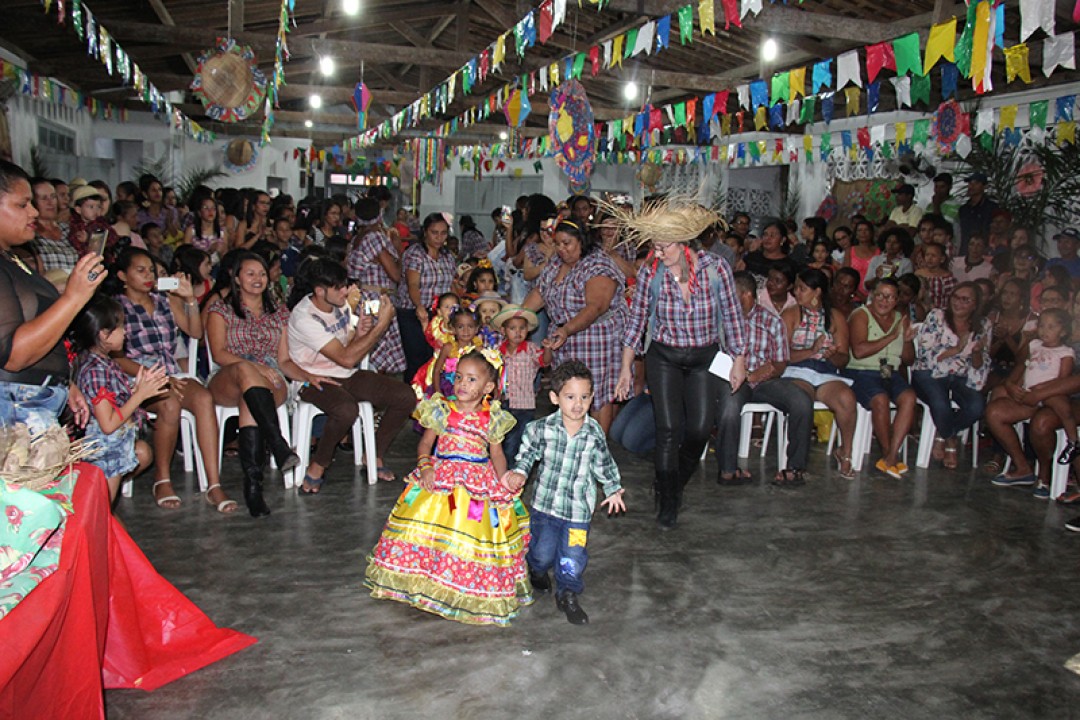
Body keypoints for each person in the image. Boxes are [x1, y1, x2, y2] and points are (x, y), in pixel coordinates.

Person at [364, 351, 531, 626]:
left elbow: (497, 454)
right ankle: (424, 578)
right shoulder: (442, 408)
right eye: (459, 377)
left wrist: (503, 479)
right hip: (442, 476)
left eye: (472, 379)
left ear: (488, 388)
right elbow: (424, 445)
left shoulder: (492, 417)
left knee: (472, 533)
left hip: (477, 480)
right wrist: (426, 466)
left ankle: (463, 585)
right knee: (426, 528)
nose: (462, 384)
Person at [616, 202, 747, 529]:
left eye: (664, 246)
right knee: (668, 429)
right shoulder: (650, 272)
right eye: (654, 246)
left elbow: (732, 317)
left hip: (704, 358)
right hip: (665, 357)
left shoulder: (715, 268)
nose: (658, 253)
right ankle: (668, 502)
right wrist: (625, 368)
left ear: (684, 241)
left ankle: (672, 483)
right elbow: (637, 322)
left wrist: (740, 359)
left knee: (700, 429)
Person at [503, 360, 626, 625]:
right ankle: (536, 569)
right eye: (570, 397)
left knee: (572, 555)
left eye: (584, 397)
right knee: (542, 553)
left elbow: (604, 463)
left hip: (578, 512)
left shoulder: (594, 433)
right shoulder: (541, 429)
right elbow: (527, 455)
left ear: (592, 398)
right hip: (546, 507)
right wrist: (520, 472)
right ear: (554, 397)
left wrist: (613, 489)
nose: (578, 404)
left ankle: (568, 591)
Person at [112, 246, 229, 510]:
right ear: (122, 275)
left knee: (203, 398)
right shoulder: (116, 307)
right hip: (135, 379)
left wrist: (188, 300)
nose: (148, 276)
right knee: (170, 403)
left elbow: (196, 333)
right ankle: (161, 478)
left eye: (151, 271)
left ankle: (213, 483)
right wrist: (154, 377)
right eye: (140, 270)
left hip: (170, 373)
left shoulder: (165, 300)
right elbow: (116, 357)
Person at [287, 258, 415, 492]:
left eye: (345, 284)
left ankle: (374, 455)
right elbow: (346, 357)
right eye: (338, 287)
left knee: (405, 395)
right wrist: (380, 327)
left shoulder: (341, 305)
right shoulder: (305, 317)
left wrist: (360, 333)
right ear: (319, 291)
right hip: (312, 378)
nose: (345, 291)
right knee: (346, 410)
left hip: (344, 373)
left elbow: (346, 348)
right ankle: (318, 465)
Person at [0, 160, 101, 432]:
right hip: (14, 413)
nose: (33, 212)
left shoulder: (13, 259)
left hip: (34, 399)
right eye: (22, 205)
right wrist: (74, 297)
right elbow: (13, 355)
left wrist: (62, 382)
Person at [206, 251, 307, 516]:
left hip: (271, 378)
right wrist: (256, 366)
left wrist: (310, 376)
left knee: (251, 397)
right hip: (227, 374)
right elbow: (218, 353)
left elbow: (283, 360)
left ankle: (253, 485)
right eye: (250, 273)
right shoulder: (220, 309)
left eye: (262, 273)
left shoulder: (280, 313)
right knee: (244, 370)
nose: (257, 279)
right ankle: (277, 444)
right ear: (236, 278)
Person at [524, 220, 626, 431]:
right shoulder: (556, 263)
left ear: (582, 240)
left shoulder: (598, 265)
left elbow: (596, 306)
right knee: (567, 391)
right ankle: (570, 442)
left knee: (595, 394)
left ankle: (595, 448)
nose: (561, 249)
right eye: (558, 244)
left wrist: (567, 329)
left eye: (567, 243)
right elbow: (540, 293)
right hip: (563, 336)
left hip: (595, 338)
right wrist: (517, 317)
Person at [718, 272, 814, 486]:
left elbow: (780, 363)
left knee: (801, 401)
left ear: (747, 295)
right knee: (729, 406)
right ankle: (728, 469)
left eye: (731, 294)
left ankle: (795, 467)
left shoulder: (772, 320)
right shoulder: (721, 319)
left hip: (765, 380)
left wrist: (762, 372)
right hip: (733, 379)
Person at [72, 296, 167, 501]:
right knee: (103, 508)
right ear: (104, 335)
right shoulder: (96, 370)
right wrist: (140, 395)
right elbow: (108, 424)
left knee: (104, 506)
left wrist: (137, 389)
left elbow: (111, 402)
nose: (126, 332)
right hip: (106, 451)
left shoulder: (102, 362)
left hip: (112, 447)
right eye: (121, 327)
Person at [986, 308, 1076, 496]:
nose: (1045, 330)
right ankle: (1022, 467)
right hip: (1028, 397)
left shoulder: (1066, 352)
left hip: (1051, 397)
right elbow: (1024, 366)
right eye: (1042, 325)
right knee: (994, 412)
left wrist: (1041, 392)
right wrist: (1013, 385)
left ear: (1064, 331)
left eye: (1051, 327)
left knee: (1054, 414)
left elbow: (1063, 381)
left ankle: (1070, 445)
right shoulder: (1034, 345)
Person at [781, 268, 859, 479]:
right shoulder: (790, 314)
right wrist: (812, 351)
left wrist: (833, 355)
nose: (796, 292)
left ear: (817, 292)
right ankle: (797, 460)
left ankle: (846, 452)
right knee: (801, 399)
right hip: (796, 370)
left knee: (846, 398)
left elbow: (844, 359)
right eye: (796, 287)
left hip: (825, 371)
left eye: (801, 288)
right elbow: (781, 354)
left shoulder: (835, 317)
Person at [911, 282, 991, 469]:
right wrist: (956, 349)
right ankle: (951, 439)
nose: (958, 303)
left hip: (962, 375)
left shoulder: (983, 325)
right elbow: (925, 354)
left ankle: (944, 432)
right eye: (955, 297)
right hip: (929, 372)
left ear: (975, 304)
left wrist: (977, 352)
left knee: (976, 406)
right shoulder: (937, 316)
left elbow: (981, 366)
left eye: (965, 299)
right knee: (940, 403)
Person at [846, 277, 917, 479]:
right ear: (872, 295)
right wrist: (892, 336)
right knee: (880, 399)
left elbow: (908, 360)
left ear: (896, 300)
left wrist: (907, 341)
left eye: (890, 297)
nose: (884, 301)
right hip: (861, 370)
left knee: (909, 398)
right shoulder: (860, 315)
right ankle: (889, 455)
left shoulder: (901, 318)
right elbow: (859, 351)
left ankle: (890, 456)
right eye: (880, 295)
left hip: (888, 371)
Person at [395, 213, 457, 383]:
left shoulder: (448, 257)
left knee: (436, 357)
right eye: (434, 232)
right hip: (413, 313)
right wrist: (419, 306)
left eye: (443, 233)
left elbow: (451, 284)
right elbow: (413, 284)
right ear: (425, 233)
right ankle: (411, 398)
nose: (439, 237)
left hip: (439, 314)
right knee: (416, 358)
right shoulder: (415, 254)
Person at [347, 197, 405, 376]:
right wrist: (398, 248)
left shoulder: (357, 239)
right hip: (376, 299)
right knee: (379, 343)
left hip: (364, 296)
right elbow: (395, 274)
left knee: (369, 343)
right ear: (379, 214)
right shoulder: (375, 238)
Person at [493, 305, 547, 464]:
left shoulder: (531, 349)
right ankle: (503, 470)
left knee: (518, 441)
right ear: (503, 331)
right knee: (503, 441)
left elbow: (545, 361)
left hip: (524, 404)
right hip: (503, 402)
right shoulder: (497, 351)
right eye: (512, 328)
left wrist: (548, 349)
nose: (518, 332)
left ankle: (513, 471)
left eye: (522, 328)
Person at [29, 178, 77, 273]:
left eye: (53, 197)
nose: (50, 202)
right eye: (43, 198)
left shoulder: (69, 229)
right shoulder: (30, 235)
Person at [957, 172, 997, 256]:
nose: (972, 186)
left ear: (985, 186)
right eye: (970, 183)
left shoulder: (991, 207)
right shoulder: (963, 209)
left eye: (976, 183)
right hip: (965, 251)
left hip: (984, 252)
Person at [184, 188, 228, 257]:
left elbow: (225, 258)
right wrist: (209, 251)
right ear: (199, 212)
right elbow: (186, 255)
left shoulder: (222, 232)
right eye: (206, 208)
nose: (210, 211)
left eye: (213, 208)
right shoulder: (191, 230)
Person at [915, 242, 956, 310]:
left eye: (933, 255)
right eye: (927, 255)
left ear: (942, 259)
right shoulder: (918, 274)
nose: (929, 258)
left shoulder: (947, 277)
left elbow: (952, 299)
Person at [844, 219, 881, 297]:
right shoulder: (850, 251)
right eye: (860, 230)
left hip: (874, 295)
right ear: (856, 234)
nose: (863, 233)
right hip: (853, 294)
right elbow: (846, 274)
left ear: (871, 233)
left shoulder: (879, 251)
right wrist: (859, 295)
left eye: (866, 230)